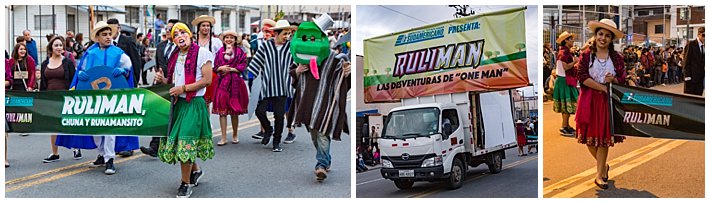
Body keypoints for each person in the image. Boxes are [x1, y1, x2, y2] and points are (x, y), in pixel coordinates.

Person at [63, 21, 137, 175]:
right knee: (96, 127)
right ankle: (103, 154)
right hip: (94, 97)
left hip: (112, 98)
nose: (108, 37)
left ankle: (110, 159)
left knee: (109, 127)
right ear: (97, 37)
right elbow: (81, 71)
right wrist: (80, 76)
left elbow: (128, 67)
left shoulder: (118, 53)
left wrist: (123, 71)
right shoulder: (90, 53)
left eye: (109, 34)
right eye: (104, 35)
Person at [153, 22, 215, 198]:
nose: (179, 36)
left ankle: (185, 184)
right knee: (183, 142)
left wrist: (184, 88)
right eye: (175, 34)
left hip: (194, 103)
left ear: (190, 35)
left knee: (185, 142)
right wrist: (163, 79)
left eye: (182, 32)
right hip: (177, 104)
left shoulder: (203, 53)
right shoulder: (175, 56)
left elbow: (207, 80)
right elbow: (173, 83)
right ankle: (195, 171)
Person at [290, 14, 351, 182]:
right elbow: (292, 72)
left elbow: (343, 78)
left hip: (325, 101)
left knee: (322, 132)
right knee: (313, 133)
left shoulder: (333, 57)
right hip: (307, 101)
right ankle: (326, 158)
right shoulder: (301, 54)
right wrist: (297, 72)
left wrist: (347, 73)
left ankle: (321, 165)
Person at [575, 19, 626, 190]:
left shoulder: (617, 58)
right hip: (589, 100)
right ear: (595, 36)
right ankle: (603, 166)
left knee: (603, 139)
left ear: (611, 40)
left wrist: (614, 80)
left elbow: (622, 80)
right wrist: (603, 88)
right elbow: (581, 76)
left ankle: (599, 175)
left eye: (607, 36)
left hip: (607, 102)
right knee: (589, 140)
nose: (603, 38)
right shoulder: (586, 56)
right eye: (600, 34)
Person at [248, 20, 296, 152]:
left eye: (288, 34)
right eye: (284, 34)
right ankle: (268, 129)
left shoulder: (291, 47)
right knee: (259, 111)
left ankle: (276, 142)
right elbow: (256, 61)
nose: (287, 36)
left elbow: (298, 61)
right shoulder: (265, 46)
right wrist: (250, 75)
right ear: (276, 33)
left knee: (279, 116)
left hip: (283, 86)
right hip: (267, 85)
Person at [140, 19, 179, 157]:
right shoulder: (161, 46)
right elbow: (157, 63)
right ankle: (154, 146)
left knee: (174, 116)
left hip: (176, 84)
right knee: (157, 114)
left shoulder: (182, 47)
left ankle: (173, 145)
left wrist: (168, 79)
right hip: (160, 85)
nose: (167, 31)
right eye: (167, 29)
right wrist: (158, 75)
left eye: (171, 29)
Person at [39, 36, 78, 163]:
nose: (59, 48)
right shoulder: (45, 63)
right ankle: (55, 153)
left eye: (61, 45)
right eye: (56, 45)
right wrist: (42, 98)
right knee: (53, 125)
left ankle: (76, 148)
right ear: (51, 47)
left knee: (68, 123)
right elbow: (43, 84)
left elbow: (73, 81)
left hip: (65, 98)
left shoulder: (67, 62)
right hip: (50, 98)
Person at [212, 30, 249, 146]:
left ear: (235, 39)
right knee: (222, 112)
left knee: (234, 112)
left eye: (231, 38)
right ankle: (223, 137)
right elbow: (215, 67)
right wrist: (221, 68)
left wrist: (232, 69)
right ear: (223, 40)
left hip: (236, 83)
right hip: (222, 83)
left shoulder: (240, 52)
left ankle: (234, 134)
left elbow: (243, 65)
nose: (229, 39)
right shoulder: (220, 52)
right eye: (226, 37)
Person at [192, 15, 223, 105]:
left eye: (208, 26)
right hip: (196, 74)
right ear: (199, 27)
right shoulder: (193, 42)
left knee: (206, 103)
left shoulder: (216, 42)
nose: (206, 28)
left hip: (211, 74)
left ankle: (206, 119)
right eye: (203, 25)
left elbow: (221, 57)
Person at [553, 31, 579, 136]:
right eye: (571, 39)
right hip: (564, 80)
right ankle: (564, 126)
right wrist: (575, 61)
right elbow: (566, 67)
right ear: (566, 41)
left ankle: (566, 125)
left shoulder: (566, 52)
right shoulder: (563, 53)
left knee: (568, 105)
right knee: (567, 105)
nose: (573, 41)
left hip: (566, 80)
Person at [108, 18, 143, 89]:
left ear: (119, 28)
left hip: (126, 78)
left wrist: (135, 80)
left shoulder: (128, 41)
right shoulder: (108, 43)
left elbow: (135, 61)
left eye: (113, 28)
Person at [683, 27, 705, 96]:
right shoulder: (691, 44)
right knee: (689, 102)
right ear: (698, 35)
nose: (705, 38)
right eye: (703, 35)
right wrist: (687, 78)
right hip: (691, 80)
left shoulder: (704, 46)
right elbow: (686, 62)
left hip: (700, 80)